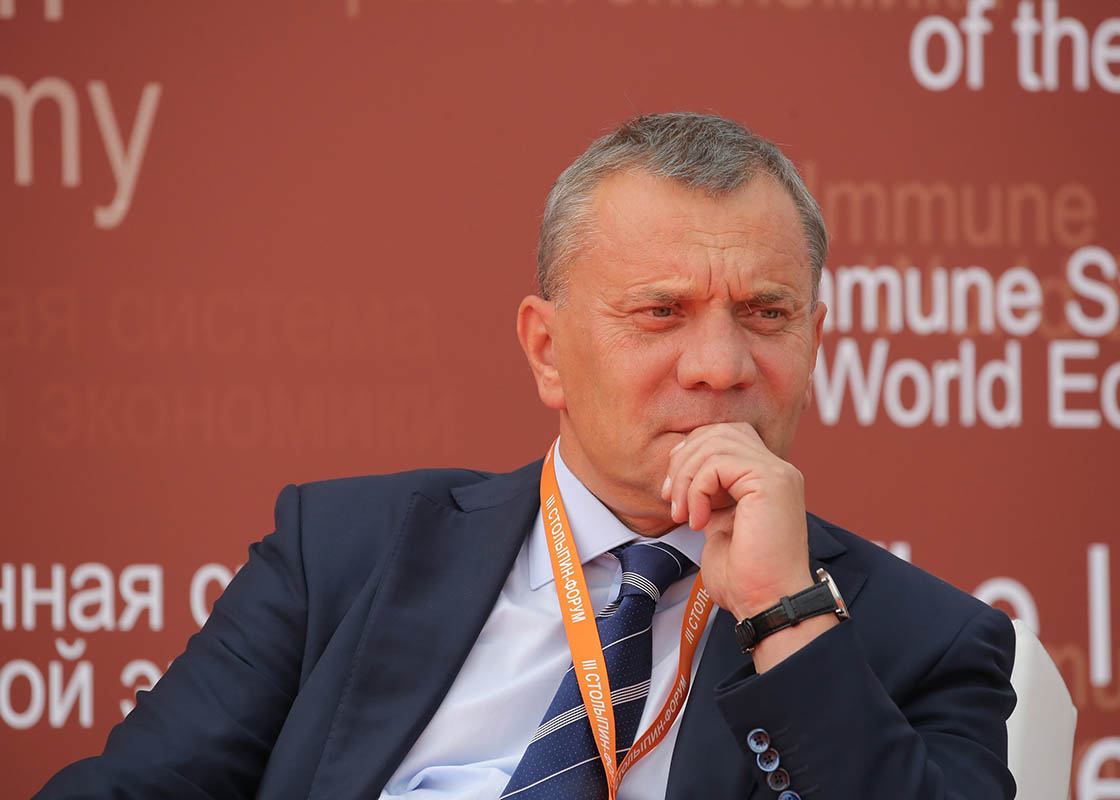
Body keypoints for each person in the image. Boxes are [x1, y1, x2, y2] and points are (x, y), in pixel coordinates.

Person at [37, 112, 1016, 800]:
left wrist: (784, 612)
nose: (720, 366)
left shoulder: (922, 642)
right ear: (548, 351)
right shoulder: (340, 551)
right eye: (660, 313)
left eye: (766, 313)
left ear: (814, 342)